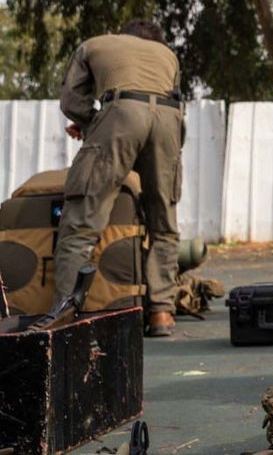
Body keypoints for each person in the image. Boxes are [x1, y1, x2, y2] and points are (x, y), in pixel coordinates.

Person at [55, 19, 185, 337]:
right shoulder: (168, 55)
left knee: (82, 224)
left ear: (121, 36)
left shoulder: (95, 43)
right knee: (163, 224)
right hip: (170, 118)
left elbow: (72, 102)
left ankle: (66, 314)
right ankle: (162, 313)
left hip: (120, 113)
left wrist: (91, 124)